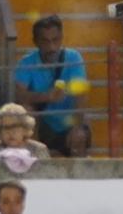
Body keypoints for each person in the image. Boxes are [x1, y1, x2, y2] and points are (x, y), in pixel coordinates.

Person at [13, 15, 90, 156]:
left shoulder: (73, 58)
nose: (52, 47)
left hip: (69, 122)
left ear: (61, 38)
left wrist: (77, 126)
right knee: (26, 110)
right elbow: (20, 96)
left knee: (79, 135)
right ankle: (35, 164)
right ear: (35, 42)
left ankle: (79, 174)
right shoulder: (26, 62)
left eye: (55, 40)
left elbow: (81, 96)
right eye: (45, 41)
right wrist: (47, 96)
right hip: (42, 125)